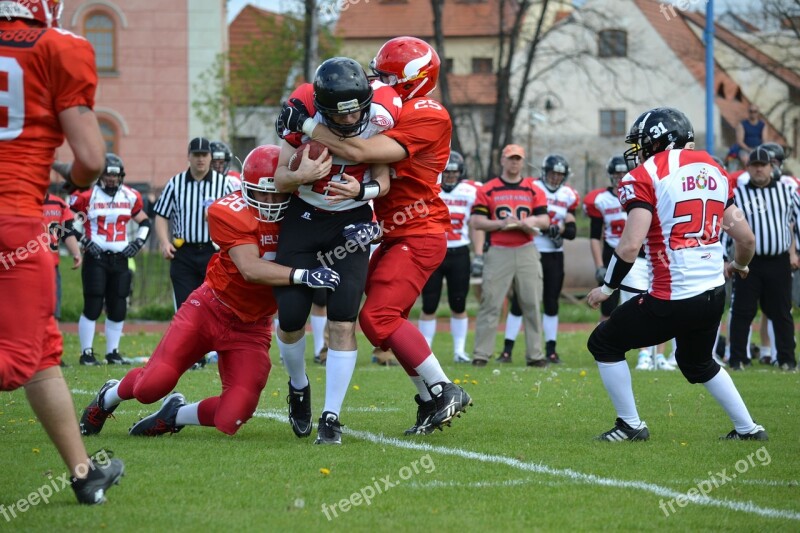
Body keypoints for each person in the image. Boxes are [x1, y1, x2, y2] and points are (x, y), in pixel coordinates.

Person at [277, 37, 473, 436]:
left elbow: (363, 152)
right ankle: (427, 396)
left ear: (413, 80)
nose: (377, 82)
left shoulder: (425, 111)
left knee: (378, 317)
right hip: (395, 229)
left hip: (419, 230)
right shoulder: (393, 105)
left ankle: (443, 388)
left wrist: (309, 126)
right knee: (376, 321)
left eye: (385, 76)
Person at [79, 145, 340, 438]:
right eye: (262, 192)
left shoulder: (302, 214)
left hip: (252, 327)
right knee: (151, 387)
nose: (270, 200)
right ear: (246, 188)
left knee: (234, 417)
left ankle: (175, 415)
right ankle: (108, 397)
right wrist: (303, 274)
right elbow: (250, 269)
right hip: (210, 309)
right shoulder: (228, 211)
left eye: (276, 192)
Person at [0, 0, 124, 504]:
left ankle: (82, 474)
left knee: (44, 352)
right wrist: (69, 180)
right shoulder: (58, 47)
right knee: (15, 361)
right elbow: (92, 159)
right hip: (14, 219)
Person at [586, 106, 767, 441]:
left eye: (641, 143)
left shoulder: (646, 175)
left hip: (674, 294)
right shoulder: (714, 168)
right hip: (713, 293)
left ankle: (630, 425)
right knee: (698, 363)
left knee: (604, 342)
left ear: (659, 141)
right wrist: (739, 266)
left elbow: (629, 246)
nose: (638, 151)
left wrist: (607, 289)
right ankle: (749, 429)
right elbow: (747, 238)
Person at [274, 56, 399, 445]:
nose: (347, 122)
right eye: (337, 117)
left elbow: (383, 180)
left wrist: (361, 192)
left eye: (353, 114)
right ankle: (298, 386)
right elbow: (280, 178)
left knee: (344, 317)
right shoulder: (303, 107)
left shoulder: (381, 114)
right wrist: (300, 176)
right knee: (291, 316)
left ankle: (331, 416)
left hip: (352, 221)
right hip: (305, 216)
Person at [153, 137, 235, 367]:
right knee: (186, 306)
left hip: (214, 252)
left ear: (211, 157)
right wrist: (163, 242)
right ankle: (192, 355)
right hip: (184, 253)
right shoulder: (175, 183)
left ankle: (217, 352)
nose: (200, 159)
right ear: (188, 156)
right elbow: (160, 214)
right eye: (196, 155)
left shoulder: (224, 184)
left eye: (204, 155)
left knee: (216, 305)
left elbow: (236, 215)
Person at [469, 144, 551, 367]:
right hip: (498, 249)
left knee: (532, 302)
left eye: (518, 159)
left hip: (526, 248)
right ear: (502, 161)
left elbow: (545, 220)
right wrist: (500, 223)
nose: (515, 162)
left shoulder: (534, 189)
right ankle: (481, 354)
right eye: (511, 158)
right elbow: (476, 221)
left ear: (523, 162)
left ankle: (535, 354)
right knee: (491, 303)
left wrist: (531, 222)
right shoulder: (488, 189)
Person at [70, 154, 150, 365]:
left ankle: (112, 352)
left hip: (121, 258)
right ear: (101, 176)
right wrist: (85, 242)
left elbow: (145, 222)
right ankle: (86, 353)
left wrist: (138, 243)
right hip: (96, 257)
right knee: (93, 303)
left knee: (118, 305)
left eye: (115, 176)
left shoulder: (130, 196)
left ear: (121, 176)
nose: (112, 180)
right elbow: (65, 223)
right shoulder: (88, 196)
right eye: (108, 175)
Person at [726, 146, 799, 371]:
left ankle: (786, 359)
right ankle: (738, 358)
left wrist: (797, 252)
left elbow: (798, 220)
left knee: (781, 311)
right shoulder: (738, 195)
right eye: (755, 165)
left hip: (778, 260)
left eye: (763, 165)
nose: (759, 169)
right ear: (747, 168)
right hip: (749, 263)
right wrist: (722, 258)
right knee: (742, 310)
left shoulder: (787, 192)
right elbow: (725, 227)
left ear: (771, 167)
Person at [417, 151, 480, 363]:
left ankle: (459, 351)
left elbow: (477, 222)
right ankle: (424, 352)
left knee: (458, 303)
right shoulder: (429, 189)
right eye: (447, 172)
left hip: (459, 251)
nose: (450, 176)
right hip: (433, 250)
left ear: (460, 172)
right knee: (429, 303)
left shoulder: (471, 191)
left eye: (454, 172)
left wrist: (479, 253)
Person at [532, 154, 580, 364]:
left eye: (560, 174)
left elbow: (571, 230)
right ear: (544, 172)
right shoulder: (532, 187)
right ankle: (508, 348)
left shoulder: (568, 194)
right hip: (531, 250)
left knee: (551, 302)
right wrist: (543, 228)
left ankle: (551, 349)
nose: (555, 178)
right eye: (552, 173)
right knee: (523, 301)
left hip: (554, 254)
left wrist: (557, 229)